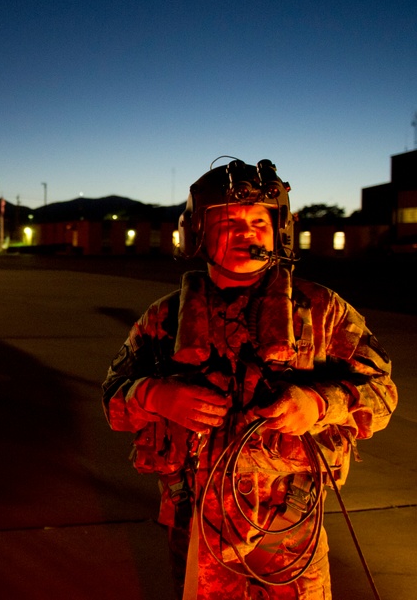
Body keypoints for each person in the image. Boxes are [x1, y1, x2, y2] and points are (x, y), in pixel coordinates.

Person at [101, 158, 396, 599]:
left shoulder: (322, 310)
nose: (246, 232)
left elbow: (382, 394)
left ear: (278, 230)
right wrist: (154, 395)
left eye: (259, 220)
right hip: (198, 527)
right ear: (197, 231)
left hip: (292, 531)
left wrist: (317, 404)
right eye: (228, 221)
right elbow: (113, 401)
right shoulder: (163, 319)